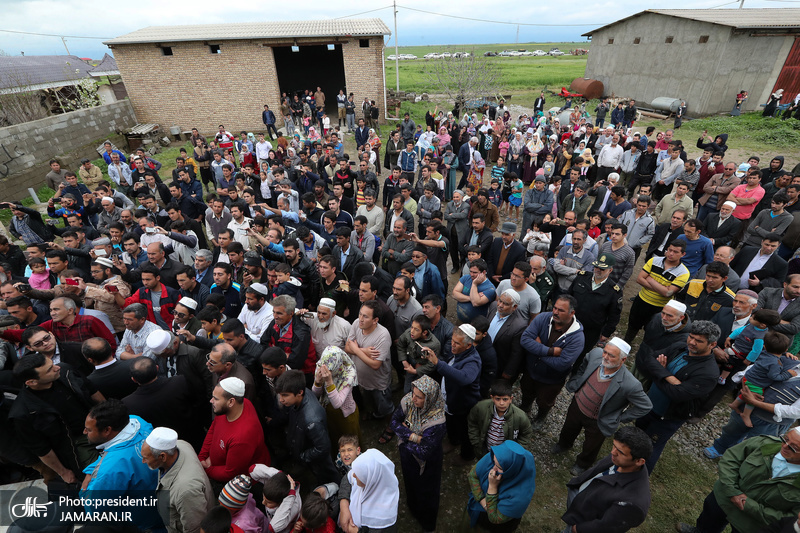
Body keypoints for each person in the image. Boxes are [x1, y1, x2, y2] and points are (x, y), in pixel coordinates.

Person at [553, 338, 652, 476]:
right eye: (605, 352)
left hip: (598, 420)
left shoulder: (630, 384)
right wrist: (577, 380)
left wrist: (619, 418)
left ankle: (583, 463)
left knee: (591, 445)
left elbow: (645, 406)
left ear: (623, 360)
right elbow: (584, 363)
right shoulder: (596, 354)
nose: (605, 357)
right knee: (569, 428)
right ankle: (563, 445)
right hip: (578, 405)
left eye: (611, 355)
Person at [636, 320, 721, 472]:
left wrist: (660, 372)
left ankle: (638, 480)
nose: (692, 342)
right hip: (648, 405)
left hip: (667, 417)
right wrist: (668, 377)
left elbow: (677, 394)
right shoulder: (680, 347)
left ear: (712, 345)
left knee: (650, 448)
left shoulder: (709, 373)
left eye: (699, 341)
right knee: (637, 435)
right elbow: (650, 359)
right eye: (691, 337)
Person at [677, 428, 800, 533]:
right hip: (724, 499)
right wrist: (733, 491)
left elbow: (791, 516)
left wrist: (749, 506)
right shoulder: (764, 443)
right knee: (708, 520)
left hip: (751, 524)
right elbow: (730, 459)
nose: (784, 446)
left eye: (794, 448)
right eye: (785, 439)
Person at [80, 399, 163, 531]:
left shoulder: (110, 470)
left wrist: (85, 492)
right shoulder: (138, 422)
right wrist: (92, 470)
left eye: (89, 429)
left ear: (107, 430)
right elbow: (109, 455)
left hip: (139, 521)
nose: (84, 432)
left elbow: (95, 508)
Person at [561, 426, 653, 533]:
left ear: (639, 461)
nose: (613, 452)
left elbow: (606, 528)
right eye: (614, 446)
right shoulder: (621, 458)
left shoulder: (633, 503)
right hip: (582, 501)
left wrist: (578, 529)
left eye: (620, 452)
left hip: (582, 523)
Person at [390, 375, 447, 532]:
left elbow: (423, 452)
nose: (413, 399)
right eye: (413, 393)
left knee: (427, 492)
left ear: (429, 399)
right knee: (410, 484)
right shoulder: (408, 400)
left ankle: (427, 523)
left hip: (427, 465)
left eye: (419, 397)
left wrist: (404, 435)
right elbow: (393, 423)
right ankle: (413, 508)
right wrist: (415, 437)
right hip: (407, 457)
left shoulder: (437, 422)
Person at [520, 295, 586, 427]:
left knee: (545, 401)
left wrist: (538, 352)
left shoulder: (577, 338)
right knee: (526, 391)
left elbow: (562, 364)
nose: (555, 312)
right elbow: (525, 340)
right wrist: (550, 351)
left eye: (560, 310)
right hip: (531, 370)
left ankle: (540, 417)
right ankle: (525, 408)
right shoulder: (543, 317)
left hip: (552, 380)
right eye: (555, 308)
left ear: (571, 313)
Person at [199, 377, 270, 487]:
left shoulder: (243, 437)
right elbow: (213, 429)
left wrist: (207, 469)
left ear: (231, 402)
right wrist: (202, 457)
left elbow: (231, 472)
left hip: (240, 484)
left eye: (216, 399)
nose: (211, 401)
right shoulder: (239, 404)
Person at [141, 426, 214, 533]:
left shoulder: (186, 490)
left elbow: (195, 529)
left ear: (162, 457)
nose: (143, 461)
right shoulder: (181, 445)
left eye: (146, 458)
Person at [275, 369, 340, 486]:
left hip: (316, 461)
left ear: (299, 392)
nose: (281, 399)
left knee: (327, 478)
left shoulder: (312, 420)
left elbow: (322, 448)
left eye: (285, 395)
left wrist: (303, 457)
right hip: (303, 448)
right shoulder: (300, 398)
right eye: (280, 395)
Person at [623, 240, 690, 343]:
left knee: (652, 331)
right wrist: (663, 288)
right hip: (642, 300)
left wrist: (649, 279)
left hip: (660, 307)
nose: (671, 254)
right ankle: (625, 344)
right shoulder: (654, 260)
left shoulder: (683, 273)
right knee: (632, 326)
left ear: (683, 254)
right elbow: (639, 279)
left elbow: (668, 293)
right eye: (670, 250)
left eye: (676, 252)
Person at [567, 253, 624, 369]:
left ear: (610, 270)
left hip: (590, 330)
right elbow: (568, 297)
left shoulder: (614, 291)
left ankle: (574, 372)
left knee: (582, 354)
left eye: (602, 269)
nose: (598, 270)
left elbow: (614, 315)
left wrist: (606, 333)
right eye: (596, 266)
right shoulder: (582, 277)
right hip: (570, 323)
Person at [466, 441, 536, 532]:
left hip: (496, 528)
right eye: (494, 463)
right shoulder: (499, 457)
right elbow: (472, 475)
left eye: (499, 467)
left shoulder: (520, 498)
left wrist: (492, 487)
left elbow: (494, 518)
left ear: (511, 470)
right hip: (478, 511)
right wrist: (483, 501)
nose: (493, 469)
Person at [468, 379, 533, 458]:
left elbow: (526, 434)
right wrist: (476, 442)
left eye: (505, 399)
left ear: (511, 399)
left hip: (505, 454)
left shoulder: (520, 416)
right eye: (498, 399)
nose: (501, 403)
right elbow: (472, 422)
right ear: (492, 398)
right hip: (485, 450)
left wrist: (514, 451)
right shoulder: (480, 407)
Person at [339, 448, 399, 533]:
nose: (354, 475)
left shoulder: (383, 515)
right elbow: (347, 479)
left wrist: (353, 531)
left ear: (370, 480)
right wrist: (344, 507)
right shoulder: (373, 478)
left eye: (359, 474)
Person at [312, 346, 361, 450]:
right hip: (328, 412)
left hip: (345, 415)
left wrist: (329, 382)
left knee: (349, 442)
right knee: (335, 438)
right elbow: (316, 394)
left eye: (331, 368)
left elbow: (337, 403)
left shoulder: (348, 373)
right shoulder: (322, 366)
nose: (327, 370)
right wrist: (317, 382)